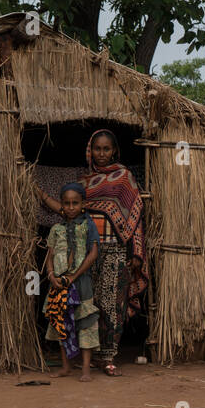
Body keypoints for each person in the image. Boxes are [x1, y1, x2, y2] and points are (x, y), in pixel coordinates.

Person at [36, 129, 147, 376]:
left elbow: (136, 215)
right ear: (90, 150)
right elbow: (63, 209)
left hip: (115, 250)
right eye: (97, 148)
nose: (102, 153)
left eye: (107, 149)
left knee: (111, 305)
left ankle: (107, 358)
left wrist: (137, 251)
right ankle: (84, 356)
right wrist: (40, 193)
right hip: (83, 252)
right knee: (85, 304)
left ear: (115, 151)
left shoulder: (124, 178)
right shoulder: (83, 182)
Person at [43, 183, 100, 380]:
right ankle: (66, 367)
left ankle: (85, 369)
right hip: (58, 284)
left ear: (83, 203)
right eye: (66, 203)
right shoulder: (56, 228)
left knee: (84, 323)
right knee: (61, 323)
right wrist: (52, 276)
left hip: (80, 282)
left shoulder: (88, 225)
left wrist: (73, 277)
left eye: (75, 203)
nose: (70, 207)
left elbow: (93, 254)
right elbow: (49, 256)